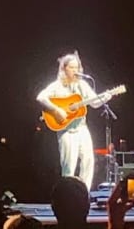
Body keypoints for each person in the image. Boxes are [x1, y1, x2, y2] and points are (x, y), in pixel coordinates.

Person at [36, 53, 111, 189]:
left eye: (77, 67)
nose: (75, 70)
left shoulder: (82, 84)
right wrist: (56, 110)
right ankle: (67, 195)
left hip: (82, 128)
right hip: (67, 131)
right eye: (72, 67)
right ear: (64, 69)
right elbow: (41, 97)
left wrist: (105, 97)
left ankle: (84, 193)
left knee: (88, 160)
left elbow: (94, 103)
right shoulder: (57, 86)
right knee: (69, 165)